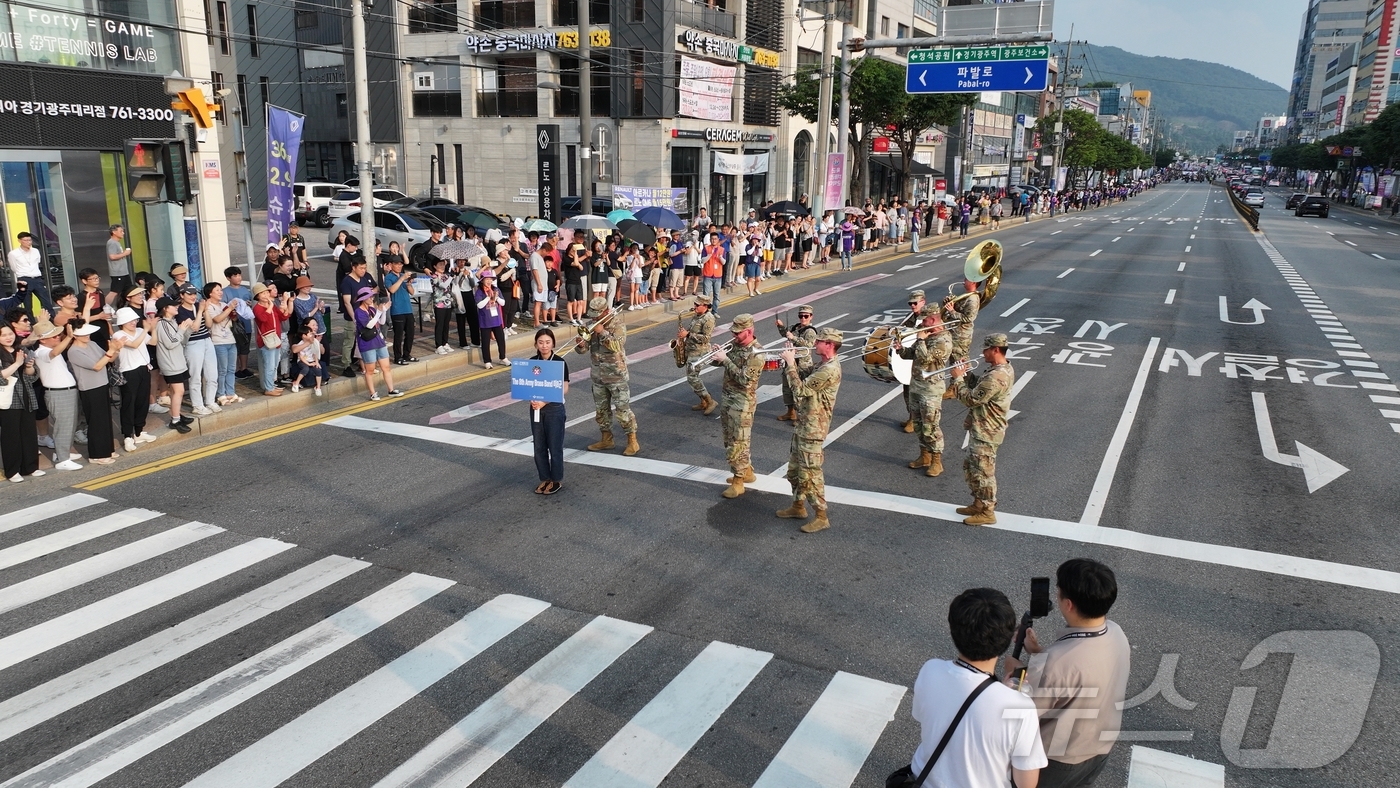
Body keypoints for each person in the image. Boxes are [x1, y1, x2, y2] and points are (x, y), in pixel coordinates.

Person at [1004, 559, 1131, 788]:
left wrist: (1015, 672)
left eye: (1059, 592)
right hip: (1099, 746)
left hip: (1058, 759)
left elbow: (1025, 709)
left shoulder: (1056, 661)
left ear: (1069, 605)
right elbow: (1079, 671)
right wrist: (1039, 654)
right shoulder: (1116, 633)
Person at [901, 588, 1046, 788]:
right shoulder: (1020, 708)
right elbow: (1026, 784)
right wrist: (1005, 694)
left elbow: (927, 715)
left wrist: (997, 691)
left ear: (953, 630)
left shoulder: (930, 670)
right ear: (1008, 639)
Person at [775, 327, 843, 533]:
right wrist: (794, 359)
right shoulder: (822, 364)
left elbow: (801, 389)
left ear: (829, 345)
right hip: (804, 425)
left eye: (820, 341)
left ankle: (821, 516)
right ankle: (798, 506)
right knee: (794, 472)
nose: (815, 344)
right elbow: (805, 374)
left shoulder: (829, 369)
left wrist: (789, 365)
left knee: (811, 475)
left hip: (814, 429)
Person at [951, 334, 1015, 526]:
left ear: (995, 349)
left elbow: (970, 399)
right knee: (971, 468)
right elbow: (980, 387)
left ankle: (988, 511)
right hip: (982, 428)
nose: (982, 353)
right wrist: (968, 374)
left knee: (984, 473)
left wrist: (958, 379)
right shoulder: (1001, 369)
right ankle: (978, 503)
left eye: (986, 349)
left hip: (987, 432)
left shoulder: (997, 375)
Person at [709, 314, 765, 498]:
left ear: (749, 331)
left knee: (739, 442)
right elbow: (725, 365)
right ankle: (746, 472)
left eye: (738, 332)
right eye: (733, 331)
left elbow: (745, 380)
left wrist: (725, 360)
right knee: (729, 439)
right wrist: (715, 356)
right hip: (728, 400)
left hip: (742, 404)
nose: (734, 335)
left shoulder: (757, 353)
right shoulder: (735, 346)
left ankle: (739, 481)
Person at [575, 297, 639, 456]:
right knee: (601, 411)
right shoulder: (591, 324)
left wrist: (601, 331)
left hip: (616, 375)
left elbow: (617, 346)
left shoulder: (618, 325)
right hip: (598, 375)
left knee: (622, 411)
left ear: (606, 311)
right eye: (592, 315)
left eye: (596, 314)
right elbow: (584, 350)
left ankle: (632, 441)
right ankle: (606, 439)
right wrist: (581, 345)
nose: (593, 318)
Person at [66, 323, 119, 464]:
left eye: (88, 333)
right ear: (75, 335)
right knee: (96, 422)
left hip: (102, 384)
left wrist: (117, 349)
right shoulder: (74, 351)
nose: (88, 335)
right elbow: (97, 366)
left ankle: (107, 450)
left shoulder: (93, 344)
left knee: (105, 420)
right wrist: (111, 351)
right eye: (84, 334)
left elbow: (109, 359)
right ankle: (97, 455)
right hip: (89, 389)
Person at [0, 322, 43, 481]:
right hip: (9, 398)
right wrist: (17, 363)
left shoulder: (22, 349)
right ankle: (12, 470)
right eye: (3, 335)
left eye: (10, 333)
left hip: (26, 395)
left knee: (29, 433)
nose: (8, 337)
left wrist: (29, 367)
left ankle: (30, 466)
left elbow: (33, 376)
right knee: (11, 436)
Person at [110, 307, 158, 451]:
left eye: (135, 320)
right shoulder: (118, 334)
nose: (133, 322)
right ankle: (127, 435)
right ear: (122, 322)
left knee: (142, 401)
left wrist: (152, 329)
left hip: (144, 368)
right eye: (130, 320)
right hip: (129, 371)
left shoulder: (139, 331)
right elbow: (134, 344)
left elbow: (153, 342)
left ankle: (138, 431)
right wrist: (145, 329)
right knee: (129, 403)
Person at [528, 327, 569, 494]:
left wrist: (544, 401)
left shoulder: (559, 362)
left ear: (553, 344)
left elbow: (564, 388)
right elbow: (526, 384)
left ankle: (556, 480)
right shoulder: (532, 362)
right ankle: (544, 478)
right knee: (539, 446)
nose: (544, 346)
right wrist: (531, 398)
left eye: (547, 342)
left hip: (554, 409)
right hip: (536, 409)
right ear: (536, 344)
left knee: (554, 445)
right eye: (540, 342)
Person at [354, 287, 404, 401]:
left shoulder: (371, 308)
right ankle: (372, 393)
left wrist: (384, 310)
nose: (371, 298)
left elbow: (381, 322)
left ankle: (391, 390)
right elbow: (369, 325)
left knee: (386, 367)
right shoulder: (359, 311)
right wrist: (380, 312)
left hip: (378, 341)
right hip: (367, 344)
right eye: (369, 297)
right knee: (370, 370)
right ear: (363, 299)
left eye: (372, 296)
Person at [154, 297, 194, 433]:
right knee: (179, 391)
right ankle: (175, 420)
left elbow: (181, 341)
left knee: (177, 391)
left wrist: (187, 329)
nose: (177, 307)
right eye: (173, 306)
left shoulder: (170, 322)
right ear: (165, 309)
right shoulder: (162, 324)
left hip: (177, 362)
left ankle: (176, 414)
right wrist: (182, 329)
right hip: (171, 364)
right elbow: (171, 343)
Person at [337, 239, 373, 375]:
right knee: (349, 341)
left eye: (365, 268)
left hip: (364, 315)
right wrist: (354, 318)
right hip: (352, 317)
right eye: (361, 268)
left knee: (362, 341)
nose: (364, 271)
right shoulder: (347, 281)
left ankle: (361, 362)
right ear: (354, 267)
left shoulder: (363, 279)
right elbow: (347, 302)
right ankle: (346, 365)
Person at [251, 283, 291, 397]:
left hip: (276, 339)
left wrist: (285, 307)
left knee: (273, 365)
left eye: (266, 292)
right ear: (257, 296)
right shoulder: (257, 308)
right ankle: (268, 388)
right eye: (262, 293)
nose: (265, 295)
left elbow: (283, 317)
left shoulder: (272, 305)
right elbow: (263, 318)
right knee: (269, 365)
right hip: (266, 341)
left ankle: (271, 386)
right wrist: (270, 305)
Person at [680, 294, 718, 415]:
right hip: (691, 350)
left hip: (700, 352)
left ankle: (709, 400)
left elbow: (706, 338)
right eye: (695, 304)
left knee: (692, 378)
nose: (695, 307)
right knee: (692, 378)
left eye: (697, 305)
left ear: (705, 306)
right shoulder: (698, 315)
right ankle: (703, 402)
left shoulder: (709, 319)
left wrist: (688, 335)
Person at [383, 257, 418, 365]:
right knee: (398, 335)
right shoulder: (389, 277)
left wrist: (408, 283)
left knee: (410, 333)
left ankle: (406, 354)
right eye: (397, 264)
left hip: (408, 309)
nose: (399, 266)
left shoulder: (403, 276)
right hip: (397, 310)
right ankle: (398, 357)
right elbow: (392, 290)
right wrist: (402, 279)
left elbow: (412, 292)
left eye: (401, 264)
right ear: (391, 265)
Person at [6, 231, 52, 313]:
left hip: (37, 279)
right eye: (26, 240)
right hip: (24, 279)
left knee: (46, 301)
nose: (29, 242)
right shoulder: (13, 253)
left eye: (30, 240)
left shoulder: (35, 251)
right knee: (27, 304)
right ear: (20, 241)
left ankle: (52, 320)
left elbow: (38, 262)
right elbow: (14, 268)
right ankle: (31, 323)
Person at [476, 270, 508, 368]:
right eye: (487, 279)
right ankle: (487, 361)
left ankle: (503, 357)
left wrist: (496, 297)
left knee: (501, 339)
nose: (489, 281)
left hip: (496, 319)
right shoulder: (479, 291)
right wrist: (488, 298)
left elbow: (503, 303)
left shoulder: (496, 289)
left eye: (490, 279)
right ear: (482, 280)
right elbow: (479, 305)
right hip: (485, 320)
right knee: (485, 342)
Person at [289, 323, 329, 395]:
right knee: (305, 369)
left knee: (318, 369)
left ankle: (318, 387)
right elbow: (301, 356)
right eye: (310, 333)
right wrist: (309, 364)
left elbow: (315, 353)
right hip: (303, 361)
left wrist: (316, 362)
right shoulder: (300, 343)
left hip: (312, 360)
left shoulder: (314, 342)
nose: (312, 335)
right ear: (304, 335)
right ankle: (296, 383)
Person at [106, 224, 134, 308]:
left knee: (129, 290)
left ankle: (123, 307)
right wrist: (125, 253)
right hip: (118, 273)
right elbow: (112, 256)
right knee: (114, 292)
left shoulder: (116, 243)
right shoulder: (112, 243)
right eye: (121, 231)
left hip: (123, 272)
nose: (123, 233)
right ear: (114, 232)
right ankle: (104, 308)